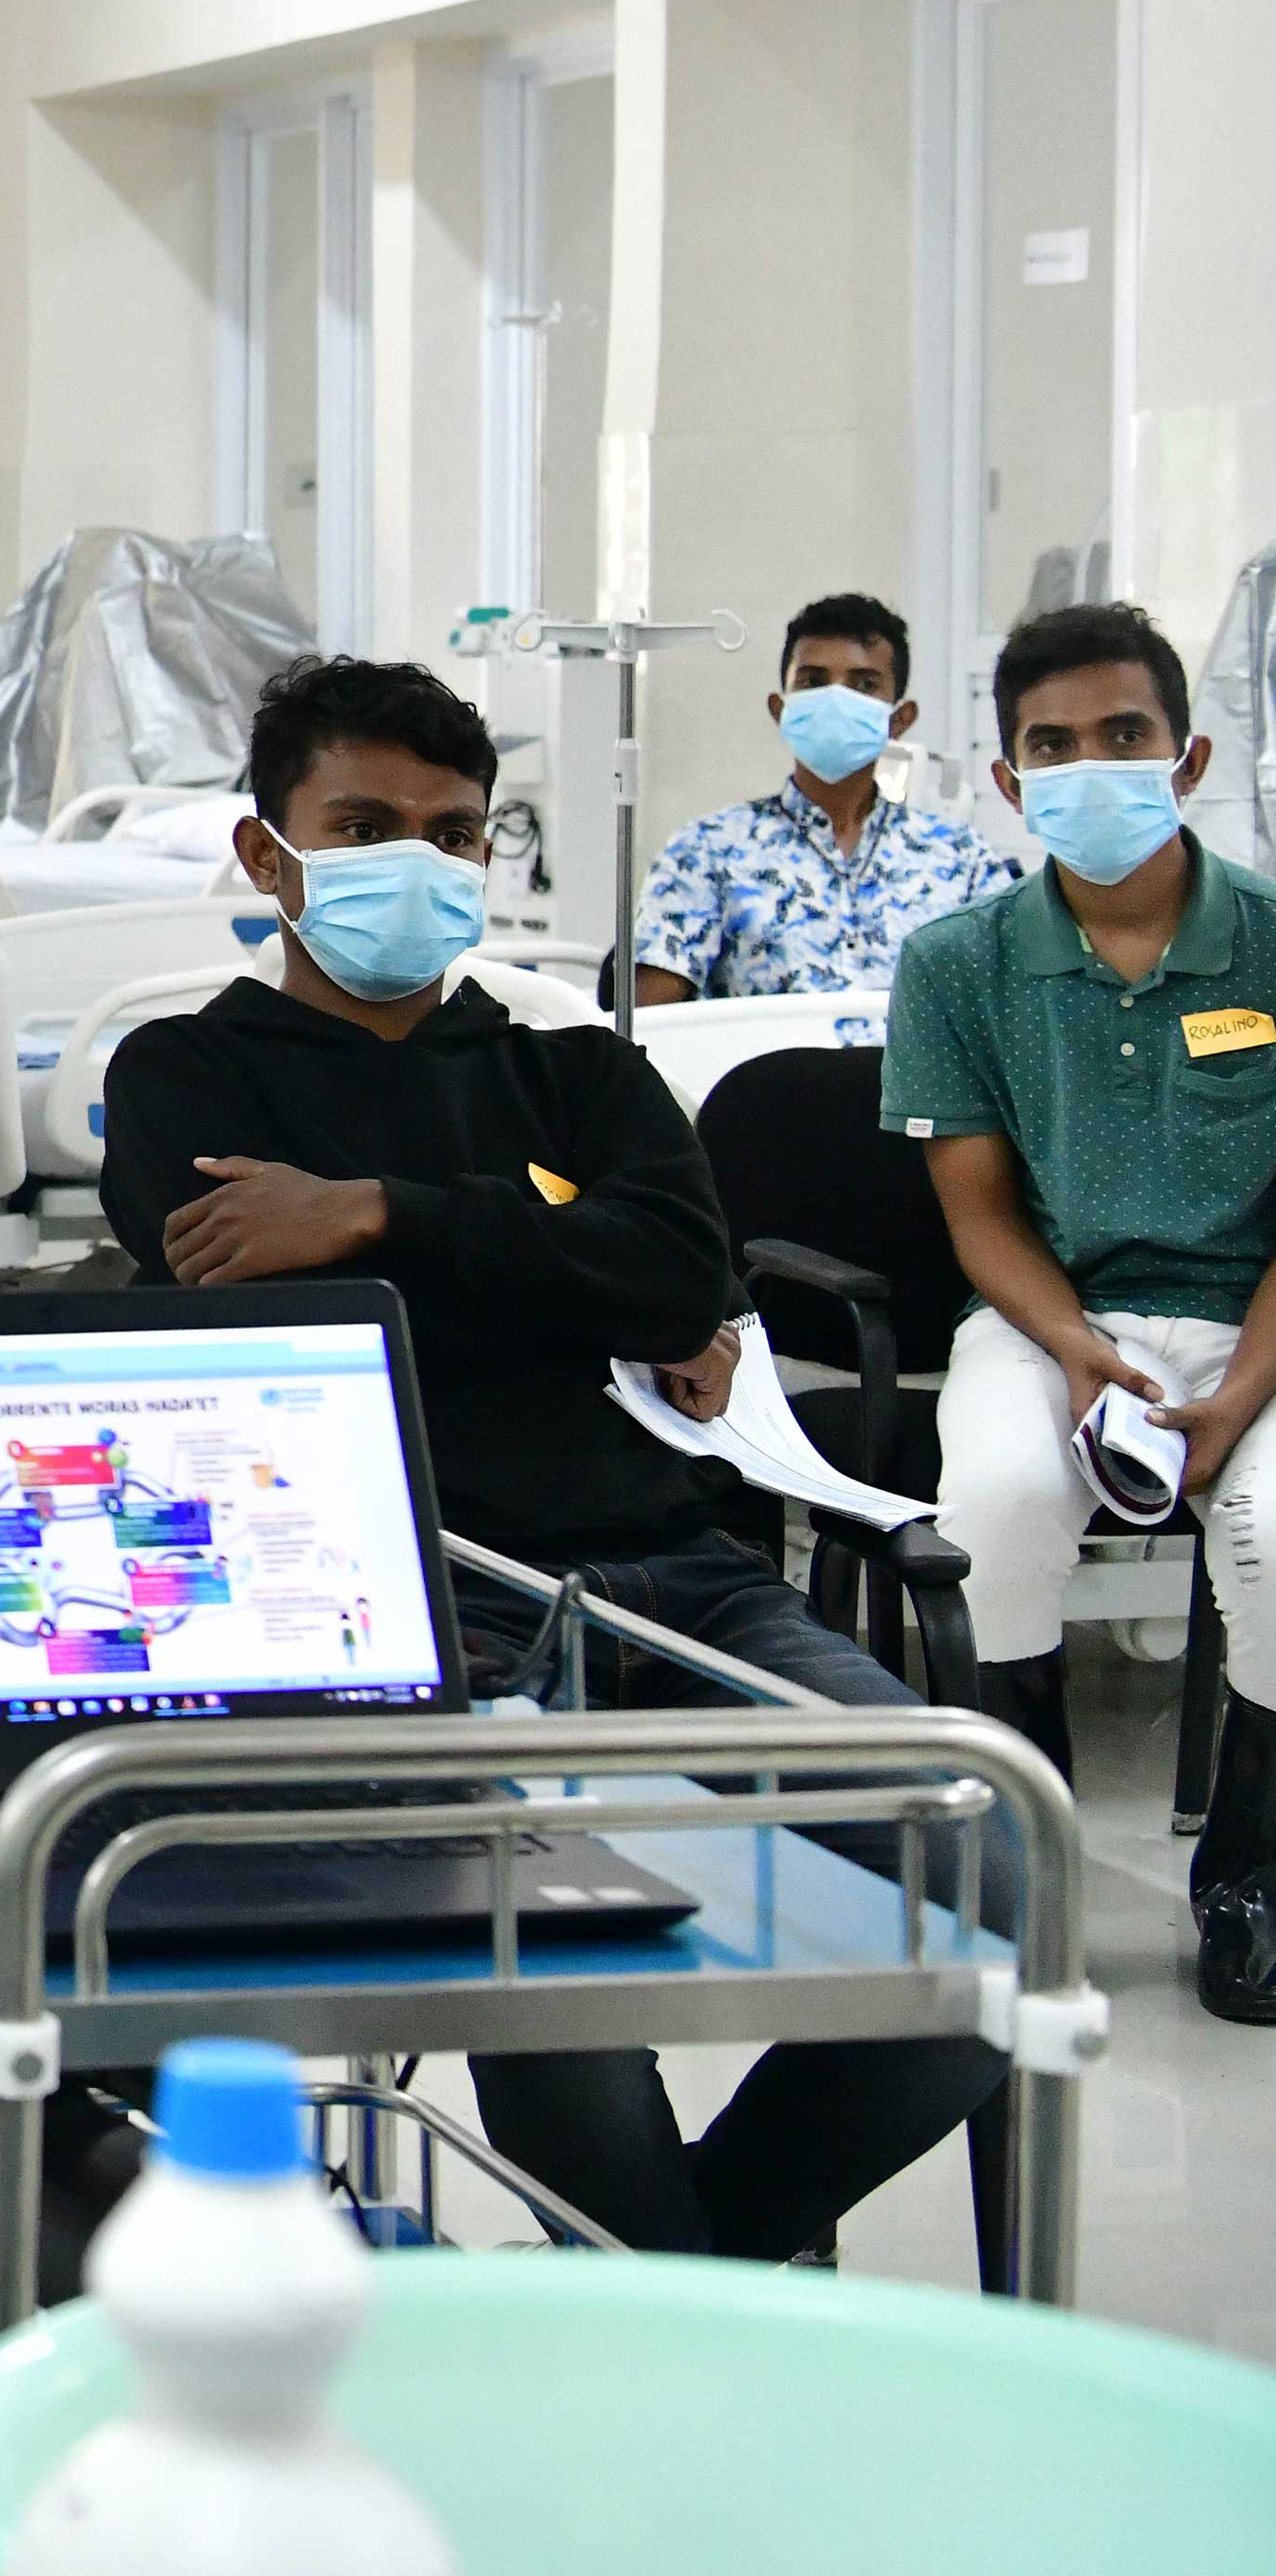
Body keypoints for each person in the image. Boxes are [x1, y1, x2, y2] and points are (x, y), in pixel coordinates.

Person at [99, 655, 1012, 2258]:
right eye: (362, 826)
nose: (416, 861)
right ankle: (668, 2296)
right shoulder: (186, 1072)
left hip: (678, 1573)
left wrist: (371, 1211)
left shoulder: (569, 1065)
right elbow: (264, 1312)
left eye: (452, 833)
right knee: (552, 1962)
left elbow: (674, 1274)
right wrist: (548, 1248)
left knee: (991, 1870)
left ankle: (684, 2269)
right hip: (421, 1599)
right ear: (267, 853)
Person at [882, 601, 1276, 2021]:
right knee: (990, 1509)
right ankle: (1021, 1863)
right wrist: (1073, 1350)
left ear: (1187, 757)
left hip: (1251, 1325)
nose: (1088, 767)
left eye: (1122, 734)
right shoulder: (956, 963)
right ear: (1005, 779)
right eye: (1049, 746)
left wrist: (1234, 1397)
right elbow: (977, 1214)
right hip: (1044, 1317)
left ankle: (1250, 1878)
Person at [630, 592, 1019, 1006]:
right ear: (780, 711)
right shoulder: (706, 851)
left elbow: (1011, 1006)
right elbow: (649, 1022)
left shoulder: (962, 860)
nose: (837, 699)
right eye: (813, 682)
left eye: (865, 684)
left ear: (899, 720)